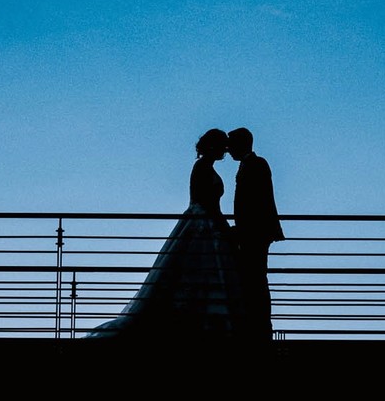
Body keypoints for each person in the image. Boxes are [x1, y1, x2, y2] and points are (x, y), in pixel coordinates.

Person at [84, 129, 242, 340]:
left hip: (204, 223)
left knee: (196, 276)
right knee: (201, 274)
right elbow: (207, 203)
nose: (225, 149)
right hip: (205, 226)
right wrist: (223, 227)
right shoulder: (203, 167)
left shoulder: (203, 166)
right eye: (222, 145)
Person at [227, 127, 284, 340]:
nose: (228, 150)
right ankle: (256, 323)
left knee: (256, 278)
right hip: (252, 231)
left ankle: (260, 325)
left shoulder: (257, 164)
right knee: (254, 278)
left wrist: (243, 229)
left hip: (255, 232)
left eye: (231, 145)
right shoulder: (251, 164)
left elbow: (257, 201)